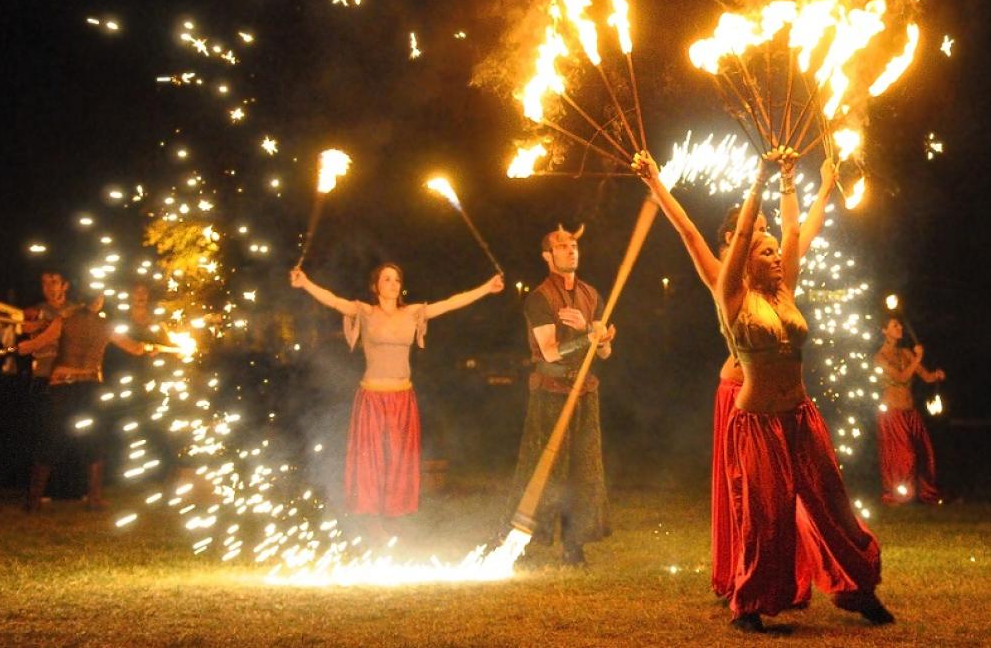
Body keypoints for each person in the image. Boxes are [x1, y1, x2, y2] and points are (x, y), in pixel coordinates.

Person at [633, 150, 835, 601]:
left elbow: (804, 230)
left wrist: (819, 187)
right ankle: (741, 575)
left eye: (767, 230)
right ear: (735, 237)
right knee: (749, 496)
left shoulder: (776, 275)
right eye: (758, 230)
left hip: (783, 401)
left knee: (793, 496)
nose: (766, 236)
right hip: (739, 393)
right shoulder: (723, 277)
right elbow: (687, 231)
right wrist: (655, 183)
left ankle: (787, 575)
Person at [716, 149, 891, 631]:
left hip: (800, 416)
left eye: (776, 253)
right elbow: (744, 240)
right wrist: (758, 178)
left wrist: (794, 179)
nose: (776, 256)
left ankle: (859, 590)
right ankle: (749, 607)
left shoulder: (783, 290)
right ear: (745, 258)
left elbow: (795, 232)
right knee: (767, 516)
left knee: (833, 504)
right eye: (764, 251)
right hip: (757, 424)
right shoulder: (733, 295)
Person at [290, 264, 503, 534]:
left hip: (402, 397)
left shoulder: (412, 313)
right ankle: (370, 521)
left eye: (396, 279)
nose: (392, 283)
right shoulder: (365, 312)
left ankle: (395, 520)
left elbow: (451, 304)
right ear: (375, 286)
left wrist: (487, 287)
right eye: (386, 279)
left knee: (399, 460)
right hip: (372, 397)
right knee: (372, 461)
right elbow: (333, 301)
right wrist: (305, 283)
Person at [506, 225, 616, 566]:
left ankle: (574, 545)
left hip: (584, 393)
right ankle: (523, 542)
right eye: (562, 246)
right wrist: (588, 335)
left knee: (583, 473)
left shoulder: (591, 294)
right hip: (551, 394)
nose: (571, 250)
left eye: (573, 245)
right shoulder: (539, 298)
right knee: (544, 470)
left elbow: (605, 352)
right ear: (547, 256)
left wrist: (596, 334)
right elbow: (551, 353)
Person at [0, 294, 154, 511]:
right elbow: (136, 348)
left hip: (62, 386)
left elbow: (32, 345)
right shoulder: (106, 325)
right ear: (99, 301)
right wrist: (151, 348)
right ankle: (93, 499)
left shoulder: (63, 320)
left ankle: (34, 501)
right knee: (93, 441)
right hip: (90, 386)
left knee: (51, 440)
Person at [875, 317, 946, 504]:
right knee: (905, 455)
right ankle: (900, 495)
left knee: (924, 452)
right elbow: (900, 377)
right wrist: (919, 357)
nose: (900, 328)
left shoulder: (906, 352)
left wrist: (936, 375)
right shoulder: (880, 357)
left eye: (900, 324)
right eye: (894, 325)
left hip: (910, 412)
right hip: (892, 413)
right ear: (884, 331)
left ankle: (926, 493)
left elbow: (926, 376)